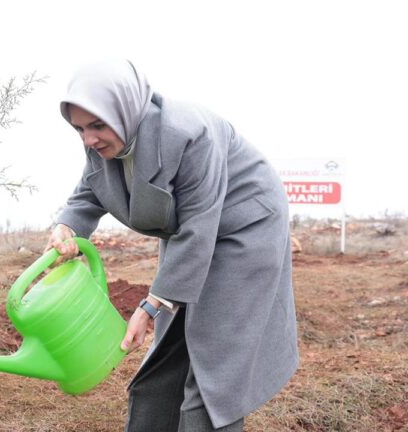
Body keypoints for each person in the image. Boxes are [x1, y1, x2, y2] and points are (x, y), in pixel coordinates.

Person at [44, 60, 298, 431]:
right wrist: (66, 227)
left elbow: (199, 224)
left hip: (243, 231)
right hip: (188, 239)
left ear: (125, 108)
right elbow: (88, 194)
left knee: (215, 362)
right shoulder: (105, 145)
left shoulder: (188, 133)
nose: (89, 138)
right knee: (168, 352)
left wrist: (151, 305)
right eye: (80, 128)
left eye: (97, 125)